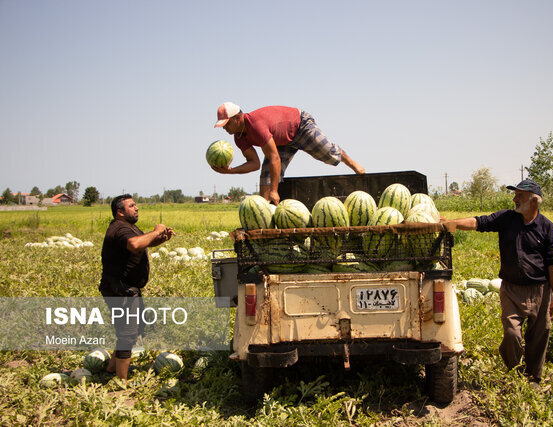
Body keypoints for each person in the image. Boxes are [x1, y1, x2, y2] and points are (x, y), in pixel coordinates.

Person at [449, 180, 553, 384]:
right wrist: (451, 223)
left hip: (540, 291)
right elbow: (478, 222)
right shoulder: (507, 218)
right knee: (511, 334)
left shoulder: (548, 229)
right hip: (511, 289)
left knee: (538, 337)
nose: (514, 199)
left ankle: (534, 377)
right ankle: (515, 370)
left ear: (534, 200)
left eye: (520, 196)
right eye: (515, 195)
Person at [212, 102, 366, 204]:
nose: (225, 128)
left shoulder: (256, 126)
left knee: (327, 154)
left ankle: (351, 162)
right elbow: (255, 163)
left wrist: (275, 190)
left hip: (300, 125)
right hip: (281, 141)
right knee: (266, 177)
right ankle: (265, 220)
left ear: (238, 118)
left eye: (227, 124)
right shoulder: (239, 137)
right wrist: (230, 171)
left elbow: (274, 157)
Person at [100, 194, 176, 382]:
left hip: (125, 289)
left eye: (135, 205)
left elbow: (142, 243)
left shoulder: (128, 227)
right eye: (131, 206)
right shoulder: (120, 229)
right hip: (121, 290)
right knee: (128, 334)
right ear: (120, 212)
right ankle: (121, 381)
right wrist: (156, 230)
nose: (137, 208)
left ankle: (111, 369)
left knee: (126, 331)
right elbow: (135, 244)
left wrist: (161, 239)